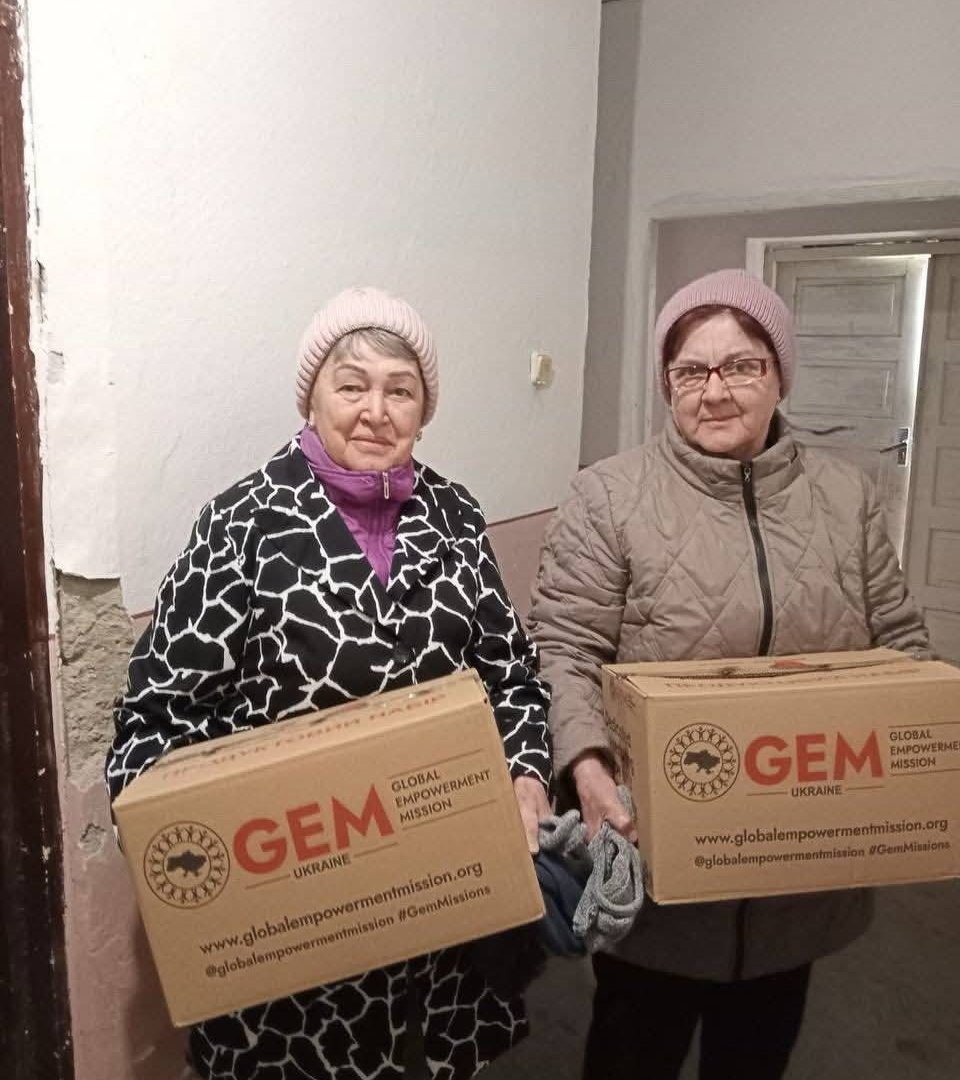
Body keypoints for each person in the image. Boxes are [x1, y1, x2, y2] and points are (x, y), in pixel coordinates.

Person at [106, 286, 553, 1080]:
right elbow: (153, 724)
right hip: (293, 939)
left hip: (443, 921)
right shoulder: (241, 526)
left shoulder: (455, 517)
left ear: (424, 411)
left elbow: (510, 675)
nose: (376, 411)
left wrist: (526, 778)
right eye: (352, 386)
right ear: (312, 398)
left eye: (400, 390)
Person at [528, 268, 931, 1080]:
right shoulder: (610, 497)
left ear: (780, 376)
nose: (714, 391)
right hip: (655, 871)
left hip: (797, 874)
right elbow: (563, 647)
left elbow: (900, 645)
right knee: (632, 1054)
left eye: (741, 365)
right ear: (668, 385)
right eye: (690, 371)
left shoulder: (846, 497)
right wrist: (589, 771)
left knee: (755, 1056)